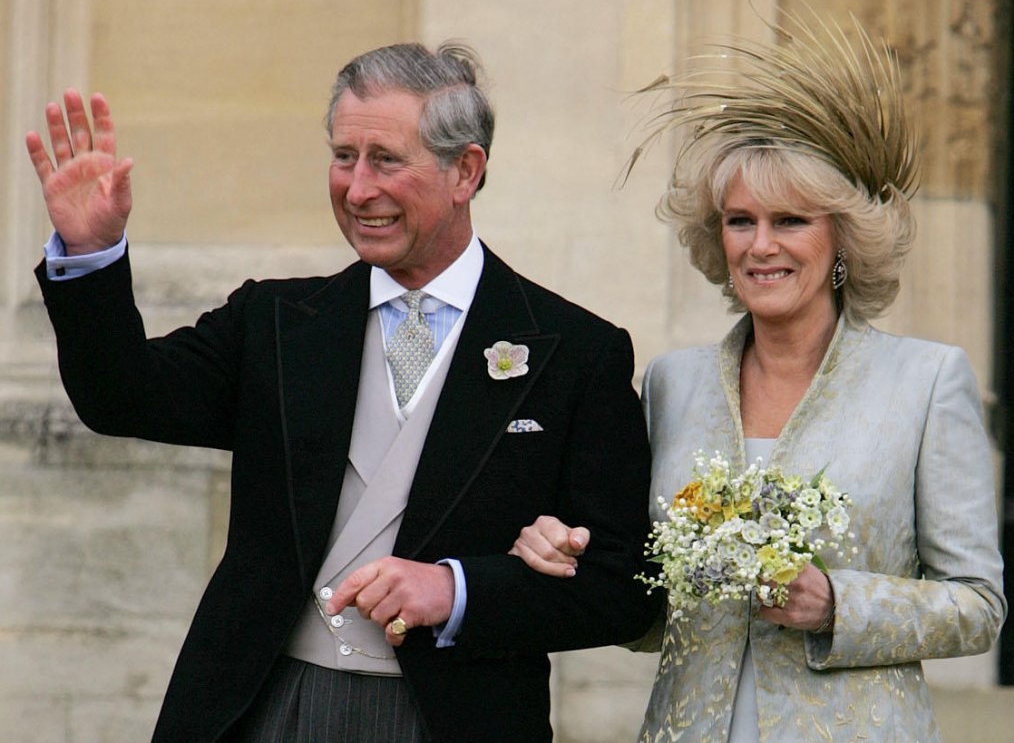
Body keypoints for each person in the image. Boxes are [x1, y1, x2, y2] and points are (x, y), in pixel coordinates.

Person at [28, 42, 657, 742]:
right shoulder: (275, 323)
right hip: (266, 707)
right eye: (343, 157)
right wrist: (91, 259)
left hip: (453, 718)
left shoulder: (576, 352)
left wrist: (458, 589)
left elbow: (623, 587)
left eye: (386, 159)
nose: (357, 189)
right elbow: (122, 396)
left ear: (465, 171)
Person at [509, 14, 1007, 741]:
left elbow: (976, 604)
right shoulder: (672, 386)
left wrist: (835, 601)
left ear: (841, 237)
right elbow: (647, 612)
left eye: (790, 220)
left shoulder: (926, 381)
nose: (761, 245)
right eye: (740, 221)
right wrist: (574, 561)